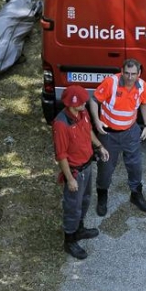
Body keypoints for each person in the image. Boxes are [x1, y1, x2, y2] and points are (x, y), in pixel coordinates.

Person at [52, 84, 110, 260]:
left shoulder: (82, 113)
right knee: (72, 207)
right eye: (81, 102)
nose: (85, 104)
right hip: (75, 172)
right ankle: (69, 240)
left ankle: (79, 229)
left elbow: (89, 131)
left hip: (87, 167)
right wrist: (70, 179)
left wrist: (99, 146)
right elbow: (61, 155)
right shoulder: (61, 124)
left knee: (85, 201)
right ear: (71, 104)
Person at [89, 58, 146, 215]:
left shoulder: (143, 86)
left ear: (139, 73)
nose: (129, 77)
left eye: (133, 74)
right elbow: (94, 100)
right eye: (126, 73)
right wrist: (97, 121)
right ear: (122, 71)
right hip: (109, 134)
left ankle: (136, 195)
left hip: (131, 132)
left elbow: (145, 103)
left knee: (135, 166)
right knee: (105, 168)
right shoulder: (111, 82)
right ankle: (102, 197)